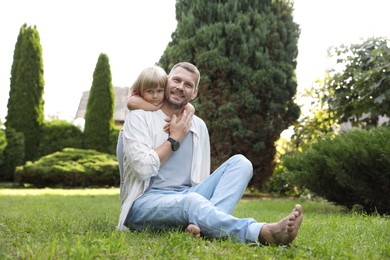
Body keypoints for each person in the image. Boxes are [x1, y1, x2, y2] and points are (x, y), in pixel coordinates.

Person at [117, 62, 303, 245]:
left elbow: (200, 177)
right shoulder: (139, 115)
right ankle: (262, 233)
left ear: (195, 93)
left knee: (242, 163)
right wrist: (173, 138)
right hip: (144, 202)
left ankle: (204, 227)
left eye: (188, 84)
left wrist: (199, 206)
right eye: (176, 80)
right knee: (191, 201)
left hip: (187, 195)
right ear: (166, 82)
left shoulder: (198, 125)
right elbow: (142, 168)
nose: (181, 87)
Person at [116, 65, 194, 198]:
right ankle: (126, 197)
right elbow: (131, 104)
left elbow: (189, 106)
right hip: (125, 139)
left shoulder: (164, 97)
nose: (155, 96)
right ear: (141, 91)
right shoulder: (137, 99)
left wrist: (189, 111)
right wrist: (154, 108)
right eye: (149, 91)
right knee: (127, 175)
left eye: (159, 91)